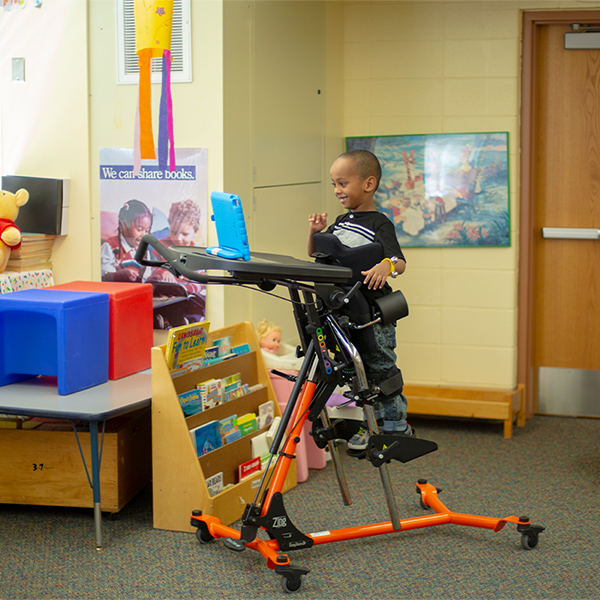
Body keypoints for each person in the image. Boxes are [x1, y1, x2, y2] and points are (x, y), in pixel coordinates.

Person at [308, 149, 413, 452]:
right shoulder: (341, 222)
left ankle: (396, 425)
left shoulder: (379, 223)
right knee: (359, 372)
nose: (338, 190)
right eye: (334, 185)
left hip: (375, 313)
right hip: (346, 311)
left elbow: (399, 262)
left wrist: (386, 265)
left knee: (380, 368)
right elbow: (315, 254)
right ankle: (372, 425)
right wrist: (314, 233)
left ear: (368, 184)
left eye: (343, 183)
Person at [101, 199, 153, 282]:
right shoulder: (110, 246)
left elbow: (146, 279)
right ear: (124, 225)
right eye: (139, 229)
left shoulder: (145, 252)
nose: (143, 235)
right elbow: (104, 277)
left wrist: (154, 279)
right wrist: (120, 275)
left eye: (147, 231)